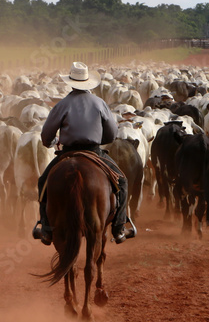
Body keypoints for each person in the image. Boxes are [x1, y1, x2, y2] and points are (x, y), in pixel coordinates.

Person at [32, 62, 134, 246]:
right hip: (94, 151)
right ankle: (119, 228)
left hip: (68, 153)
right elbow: (111, 134)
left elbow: (46, 136)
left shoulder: (62, 104)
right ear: (88, 82)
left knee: (43, 182)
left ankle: (46, 229)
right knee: (122, 181)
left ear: (71, 82)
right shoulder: (99, 103)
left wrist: (54, 142)